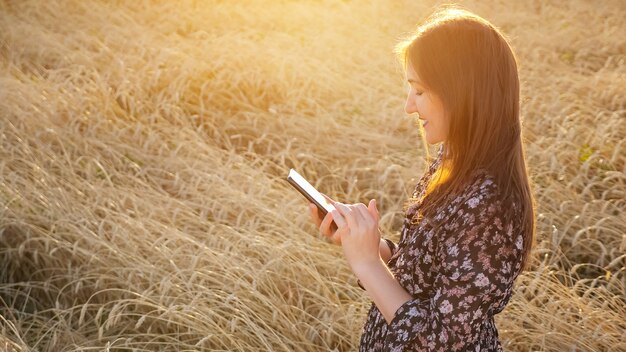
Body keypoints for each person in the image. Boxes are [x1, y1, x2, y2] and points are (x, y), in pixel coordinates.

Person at [308, 5, 535, 351]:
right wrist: (369, 244)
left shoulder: (490, 207)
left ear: (462, 93)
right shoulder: (454, 162)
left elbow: (440, 341)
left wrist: (368, 264)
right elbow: (431, 276)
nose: (409, 106)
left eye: (420, 90)